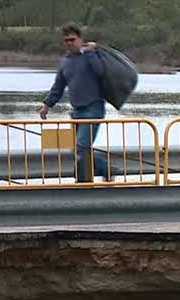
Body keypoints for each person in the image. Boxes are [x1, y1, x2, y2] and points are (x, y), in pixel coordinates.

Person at [39, 24, 110, 183]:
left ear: (80, 39)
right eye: (66, 41)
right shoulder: (65, 62)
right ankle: (103, 170)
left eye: (72, 39)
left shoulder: (91, 55)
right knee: (77, 149)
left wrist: (92, 53)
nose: (70, 43)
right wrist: (47, 105)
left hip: (94, 108)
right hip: (77, 111)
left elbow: (101, 72)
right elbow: (58, 86)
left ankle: (93, 175)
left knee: (81, 147)